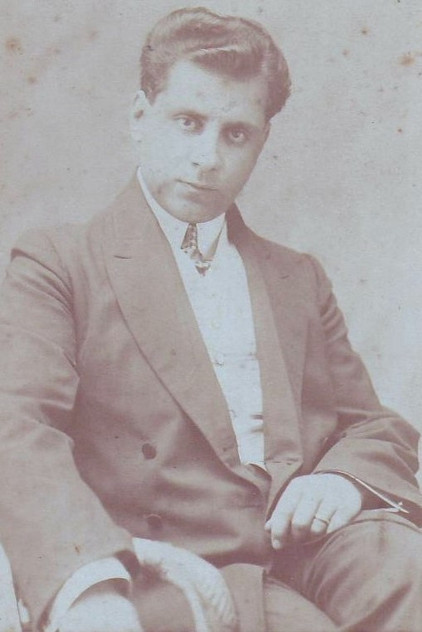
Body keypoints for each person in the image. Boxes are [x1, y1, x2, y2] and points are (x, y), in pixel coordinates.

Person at [0, 6, 421, 632]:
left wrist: (341, 480)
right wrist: (87, 583)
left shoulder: (295, 276)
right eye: (189, 123)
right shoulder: (60, 262)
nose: (207, 157)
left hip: (304, 541)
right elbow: (17, 428)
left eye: (236, 134)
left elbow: (370, 423)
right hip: (179, 558)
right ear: (140, 118)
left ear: (261, 142)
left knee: (411, 573)